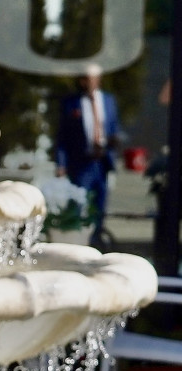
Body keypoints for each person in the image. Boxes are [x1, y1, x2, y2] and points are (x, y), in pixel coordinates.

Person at [55, 63, 120, 246]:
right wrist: (61, 164)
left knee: (100, 204)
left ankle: (96, 240)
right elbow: (62, 136)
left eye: (94, 79)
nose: (90, 83)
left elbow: (114, 127)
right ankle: (77, 241)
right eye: (87, 79)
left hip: (102, 162)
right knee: (79, 203)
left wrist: (111, 142)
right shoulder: (71, 103)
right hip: (81, 163)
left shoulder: (108, 100)